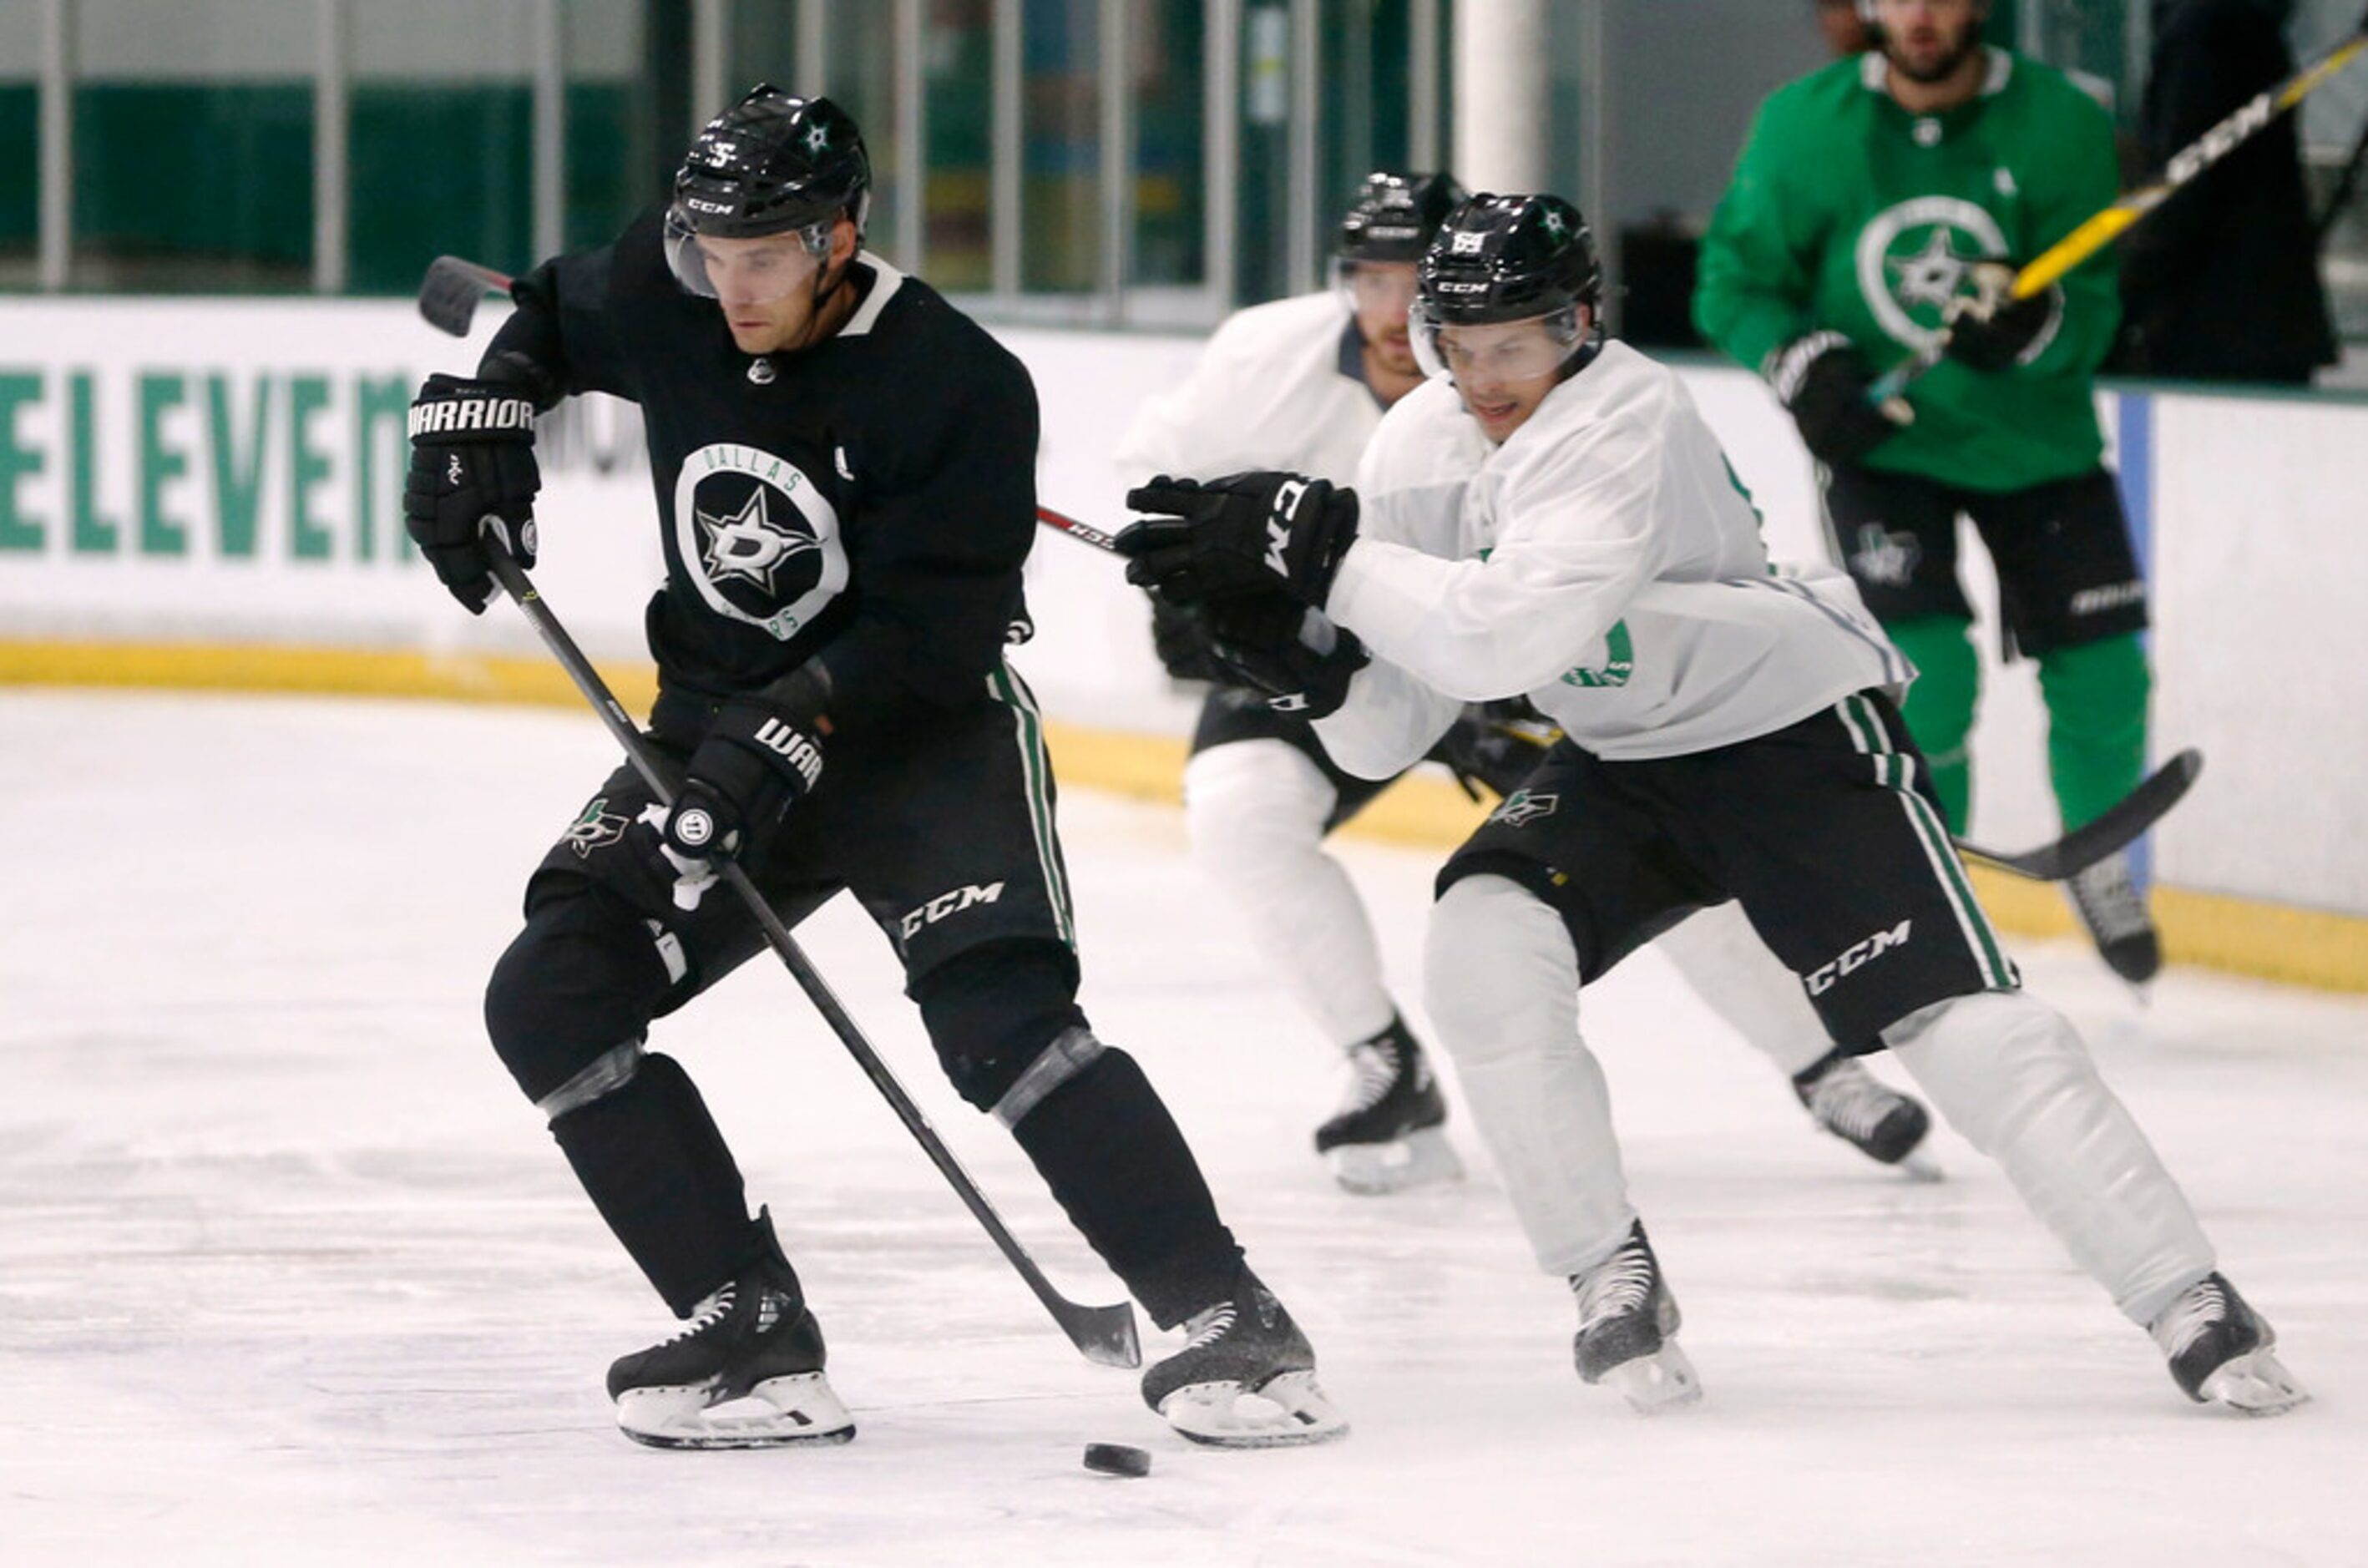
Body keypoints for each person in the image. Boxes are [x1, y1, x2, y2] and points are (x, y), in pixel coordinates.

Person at [1116, 190, 2306, 1419]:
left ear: (1578, 322)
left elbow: (1504, 630)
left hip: (1788, 736)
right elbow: (1396, 721)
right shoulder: (1421, 443)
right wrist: (1301, 662)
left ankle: (2187, 1295)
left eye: (1512, 345)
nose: (1482, 378)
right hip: (1625, 756)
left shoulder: (1624, 413)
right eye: (1457, 346)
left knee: (1960, 1026)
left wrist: (1329, 563)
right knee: (1482, 948)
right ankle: (1605, 1268)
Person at [402, 86, 1343, 1451]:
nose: (731, 287)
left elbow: (931, 629)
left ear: (840, 236)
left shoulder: (952, 381)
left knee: (1000, 1021)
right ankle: (746, 1325)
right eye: (709, 253)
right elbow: (554, 306)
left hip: (922, 738)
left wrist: (785, 726)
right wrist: (487, 407)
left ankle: (1224, 1317)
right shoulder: (672, 284)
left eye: (765, 257)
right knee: (552, 991)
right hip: (718, 720)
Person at [1121, 173, 1938, 1191]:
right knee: (1239, 812)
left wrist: (1477, 690)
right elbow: (1158, 479)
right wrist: (1194, 611)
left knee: (1657, 848)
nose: (1385, 312)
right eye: (1364, 281)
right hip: (1353, 653)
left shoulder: (1577, 417)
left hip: (1525, 647)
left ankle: (1819, 1069)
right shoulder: (1263, 355)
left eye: (1405, 281)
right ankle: (1382, 1061)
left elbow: (1529, 615)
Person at [1693, 0, 2167, 987]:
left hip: (2038, 445)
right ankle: (1928, 880)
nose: (1919, 14)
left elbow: (2095, 303)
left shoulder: (2060, 122)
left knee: (2107, 680)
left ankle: (2097, 859)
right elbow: (1732, 281)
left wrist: (2036, 327)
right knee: (1929, 679)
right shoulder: (1802, 124)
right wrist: (1799, 360)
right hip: (1884, 448)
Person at [2118, 0, 2340, 383]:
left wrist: (2123, 303)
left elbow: (2184, 187)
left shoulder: (2200, 36)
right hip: (2262, 317)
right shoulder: (2239, 24)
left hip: (2212, 327)